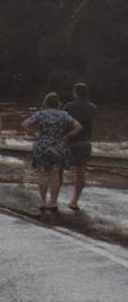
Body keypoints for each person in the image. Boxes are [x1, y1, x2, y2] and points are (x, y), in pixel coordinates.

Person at [21, 92, 82, 212]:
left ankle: (43, 201)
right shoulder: (63, 114)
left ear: (45, 103)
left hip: (42, 145)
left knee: (42, 174)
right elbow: (78, 126)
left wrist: (35, 133)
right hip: (58, 145)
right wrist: (66, 136)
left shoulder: (40, 114)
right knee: (55, 174)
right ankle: (53, 202)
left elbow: (24, 124)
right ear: (58, 103)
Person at [63, 83, 97, 211]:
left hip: (70, 142)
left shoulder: (69, 106)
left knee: (59, 170)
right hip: (85, 142)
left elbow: (64, 123)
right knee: (80, 173)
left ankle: (53, 200)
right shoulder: (93, 107)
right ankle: (74, 201)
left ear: (75, 92)